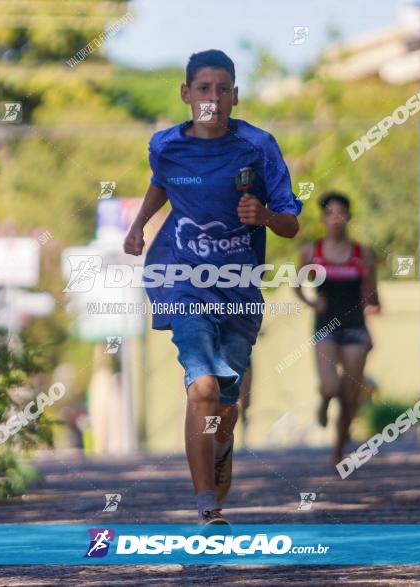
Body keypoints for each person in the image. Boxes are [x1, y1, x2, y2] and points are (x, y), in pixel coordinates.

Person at [124, 50, 302, 524]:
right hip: (180, 277)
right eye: (203, 89)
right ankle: (206, 505)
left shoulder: (259, 147)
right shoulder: (165, 144)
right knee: (201, 385)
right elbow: (162, 181)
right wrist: (140, 224)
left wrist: (264, 216)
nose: (213, 99)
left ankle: (221, 444)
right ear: (186, 95)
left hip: (239, 286)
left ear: (235, 96)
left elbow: (290, 224)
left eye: (223, 89)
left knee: (225, 402)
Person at [295, 192, 380, 466]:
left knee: (350, 395)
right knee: (331, 387)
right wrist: (311, 301)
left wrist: (374, 306)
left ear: (349, 217)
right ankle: (323, 401)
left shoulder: (362, 254)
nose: (335, 219)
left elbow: (372, 295)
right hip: (326, 327)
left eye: (340, 213)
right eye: (329, 213)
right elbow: (296, 287)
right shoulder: (311, 252)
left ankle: (339, 450)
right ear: (322, 219)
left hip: (355, 327)